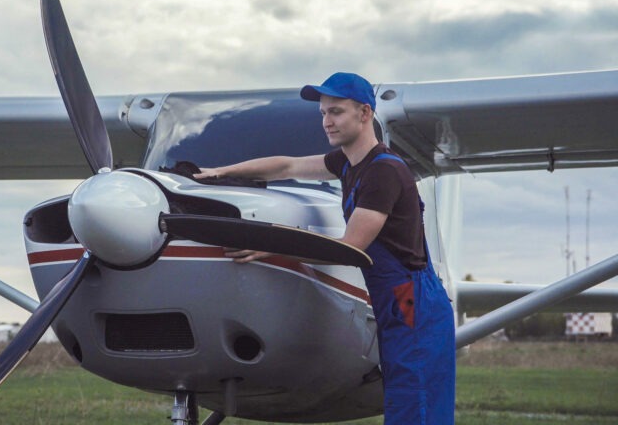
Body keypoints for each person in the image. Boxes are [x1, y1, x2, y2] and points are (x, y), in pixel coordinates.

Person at [193, 72, 456, 424]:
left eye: (336, 112)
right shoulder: (348, 162)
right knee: (404, 400)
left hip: (413, 302)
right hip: (395, 298)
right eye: (322, 113)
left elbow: (349, 248)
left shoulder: (384, 173)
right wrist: (221, 172)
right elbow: (287, 166)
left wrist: (271, 250)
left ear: (364, 113)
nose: (326, 121)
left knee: (414, 404)